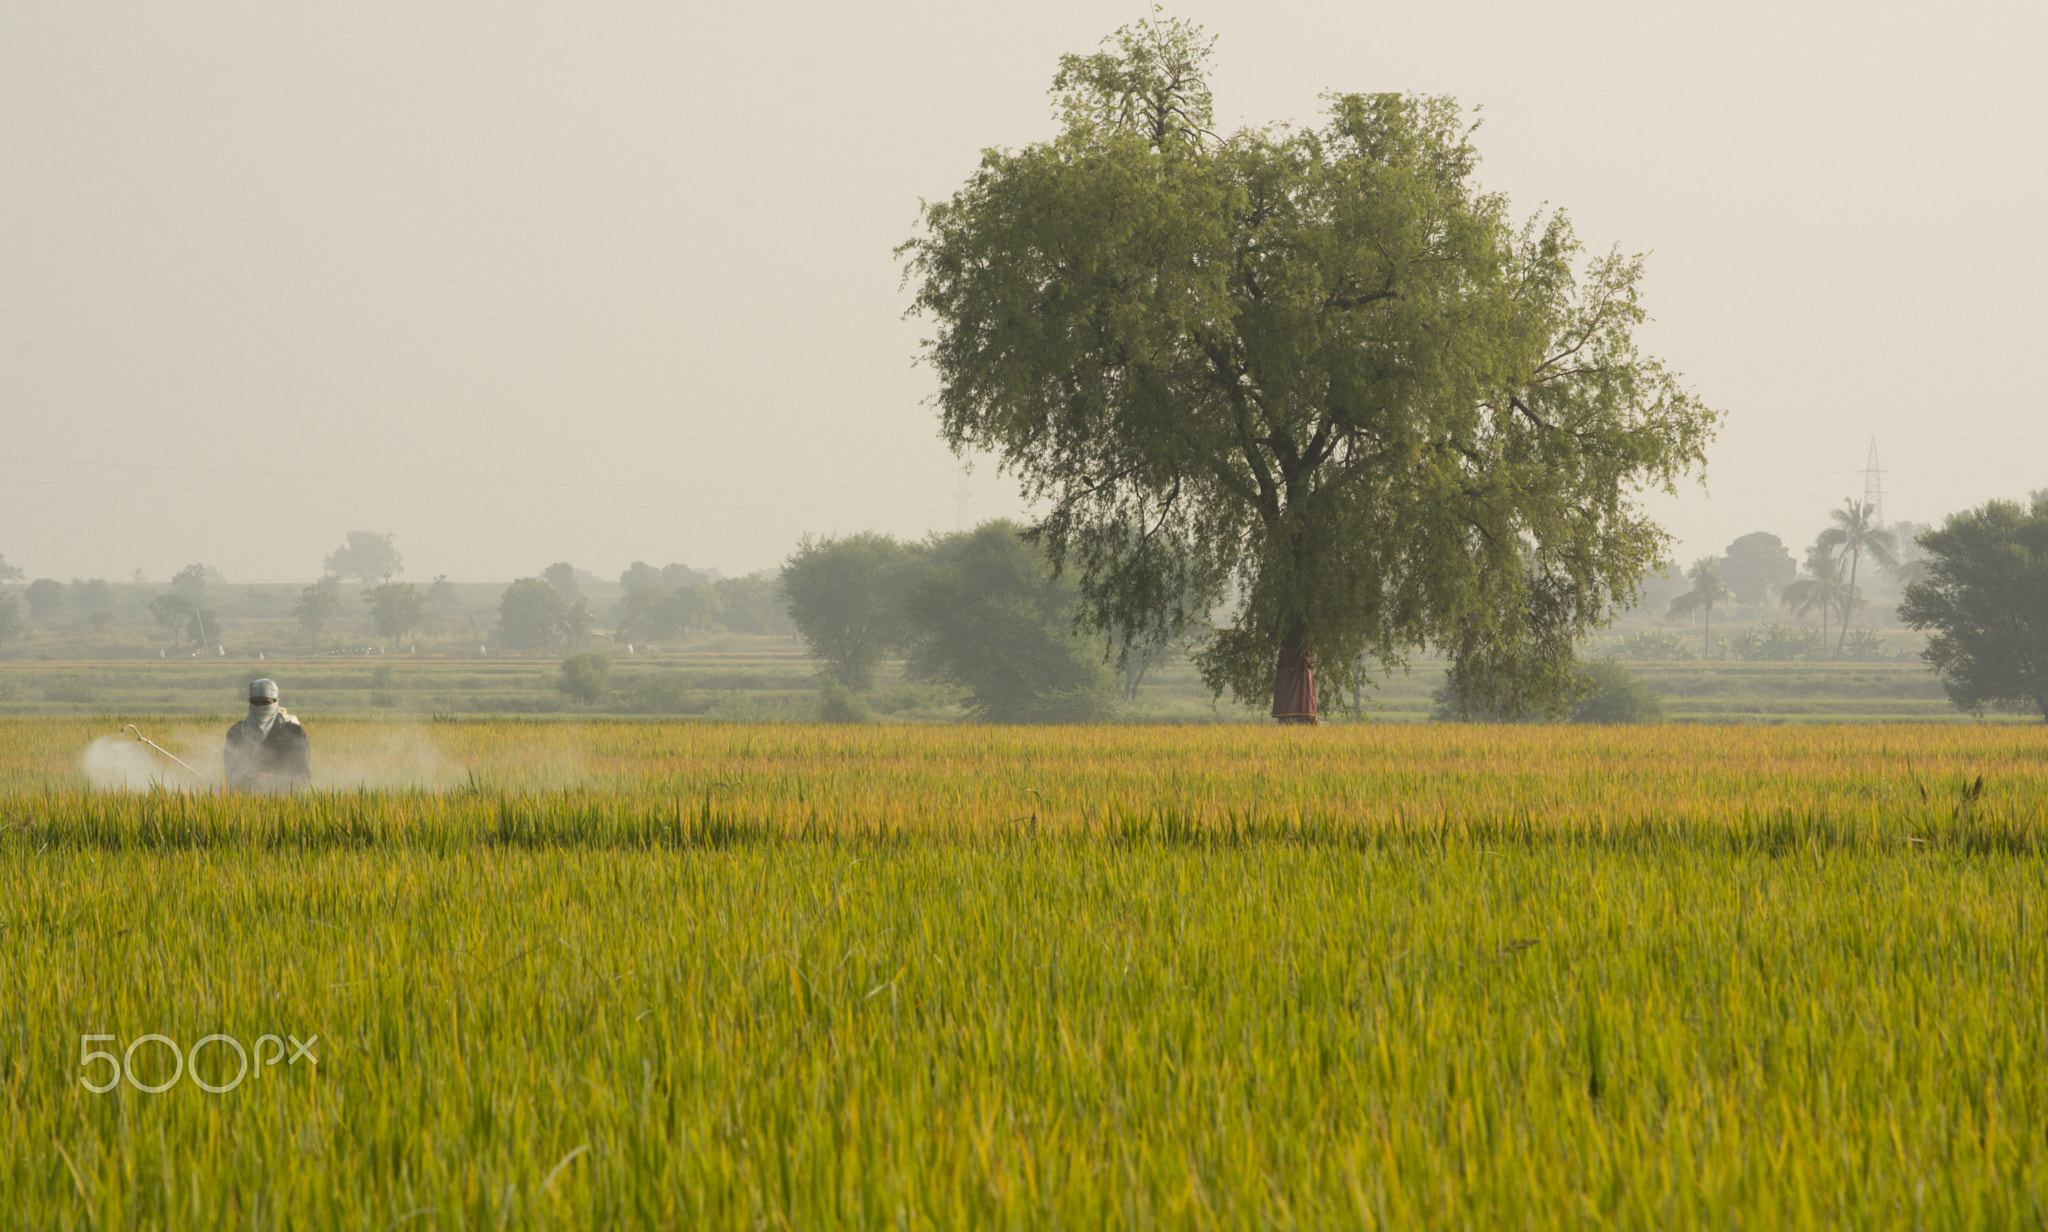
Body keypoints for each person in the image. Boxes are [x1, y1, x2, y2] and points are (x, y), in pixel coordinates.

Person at [224, 678, 311, 790]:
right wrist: (250, 780)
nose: (260, 707)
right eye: (255, 703)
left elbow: (302, 777)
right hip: (245, 800)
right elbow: (230, 773)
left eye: (265, 703)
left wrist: (273, 780)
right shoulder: (236, 732)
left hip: (283, 801)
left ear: (275, 702)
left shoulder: (295, 733)